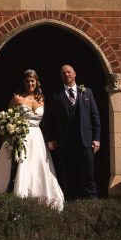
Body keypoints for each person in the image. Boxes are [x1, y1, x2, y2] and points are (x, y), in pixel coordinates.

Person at [0, 69, 64, 210]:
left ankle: (40, 198)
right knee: (21, 165)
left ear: (37, 82)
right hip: (20, 136)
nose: (30, 83)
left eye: (32, 81)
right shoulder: (17, 99)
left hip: (37, 138)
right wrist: (10, 131)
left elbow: (48, 122)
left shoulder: (42, 99)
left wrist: (51, 139)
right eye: (27, 81)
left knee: (37, 166)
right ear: (24, 83)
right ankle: (15, 196)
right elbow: (7, 117)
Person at [44, 63, 101, 199]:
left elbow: (95, 116)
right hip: (64, 143)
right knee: (68, 175)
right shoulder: (55, 95)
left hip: (85, 140)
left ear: (75, 74)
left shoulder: (87, 92)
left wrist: (96, 138)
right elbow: (48, 119)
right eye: (63, 72)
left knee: (88, 174)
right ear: (61, 76)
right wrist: (50, 139)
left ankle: (92, 204)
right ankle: (69, 204)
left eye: (69, 71)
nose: (66, 74)